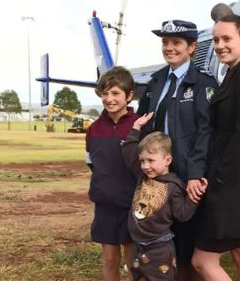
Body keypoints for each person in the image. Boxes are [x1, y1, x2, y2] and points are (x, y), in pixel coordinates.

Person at [137, 19, 218, 281]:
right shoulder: (156, 82)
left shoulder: (203, 84)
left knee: (186, 246)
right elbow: (145, 126)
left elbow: (206, 133)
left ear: (192, 47)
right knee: (158, 241)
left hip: (186, 177)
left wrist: (195, 174)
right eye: (165, 42)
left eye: (176, 43)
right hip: (158, 177)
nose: (169, 48)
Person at [191, 14, 240, 281]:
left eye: (227, 39)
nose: (220, 45)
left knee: (202, 261)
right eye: (215, 40)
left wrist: (217, 176)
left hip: (229, 182)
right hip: (236, 178)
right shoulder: (234, 75)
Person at [121, 112, 207, 281]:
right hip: (138, 246)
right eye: (142, 161)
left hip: (159, 249)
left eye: (151, 160)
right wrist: (136, 128)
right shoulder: (142, 176)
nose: (145, 166)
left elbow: (182, 214)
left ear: (167, 160)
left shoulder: (174, 186)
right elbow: (128, 152)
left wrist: (194, 197)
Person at [85, 66, 140, 281]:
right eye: (105, 93)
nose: (109, 99)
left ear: (129, 96)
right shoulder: (94, 129)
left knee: (133, 262)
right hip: (105, 205)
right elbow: (91, 162)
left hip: (132, 206)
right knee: (109, 260)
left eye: (115, 93)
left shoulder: (139, 126)